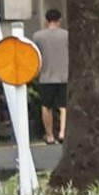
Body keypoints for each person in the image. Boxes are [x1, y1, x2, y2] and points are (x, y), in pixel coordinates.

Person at [30, 9, 69, 145]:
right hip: (64, 75)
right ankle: (62, 132)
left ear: (46, 21)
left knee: (46, 106)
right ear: (60, 20)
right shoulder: (66, 35)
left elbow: (34, 55)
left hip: (46, 76)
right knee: (63, 106)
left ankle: (50, 135)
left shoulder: (38, 36)